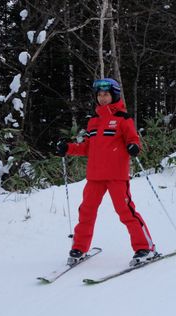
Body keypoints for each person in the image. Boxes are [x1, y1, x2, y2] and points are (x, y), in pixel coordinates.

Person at [56, 78, 156, 267]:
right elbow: (87, 147)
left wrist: (134, 146)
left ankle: (145, 248)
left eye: (106, 95)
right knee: (86, 211)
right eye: (100, 95)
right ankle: (79, 247)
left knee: (125, 211)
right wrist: (67, 148)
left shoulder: (123, 119)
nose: (102, 98)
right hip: (94, 176)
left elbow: (134, 140)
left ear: (114, 95)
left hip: (116, 175)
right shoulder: (93, 121)